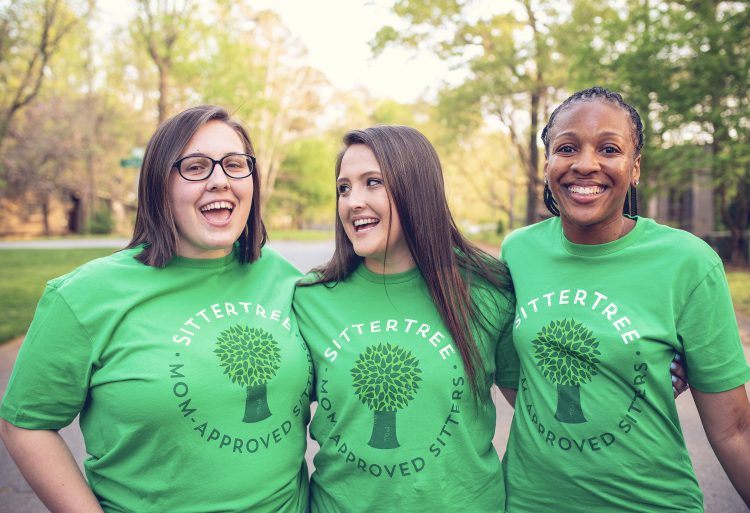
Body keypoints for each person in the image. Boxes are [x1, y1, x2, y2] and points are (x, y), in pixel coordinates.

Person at [0, 105, 312, 513]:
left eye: (235, 165)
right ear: (158, 185)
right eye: (196, 167)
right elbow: (25, 423)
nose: (220, 180)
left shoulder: (286, 279)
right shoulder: (85, 294)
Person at [496, 86, 750, 512]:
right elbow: (520, 382)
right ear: (548, 164)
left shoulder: (688, 263)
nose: (586, 165)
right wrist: (618, 385)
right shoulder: (518, 252)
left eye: (609, 148)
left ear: (634, 167)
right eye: (567, 148)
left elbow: (735, 429)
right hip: (530, 502)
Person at [292, 125, 516, 512]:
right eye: (343, 188)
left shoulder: (487, 289)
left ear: (416, 189)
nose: (352, 202)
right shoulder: (311, 298)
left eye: (372, 182)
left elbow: (534, 417)